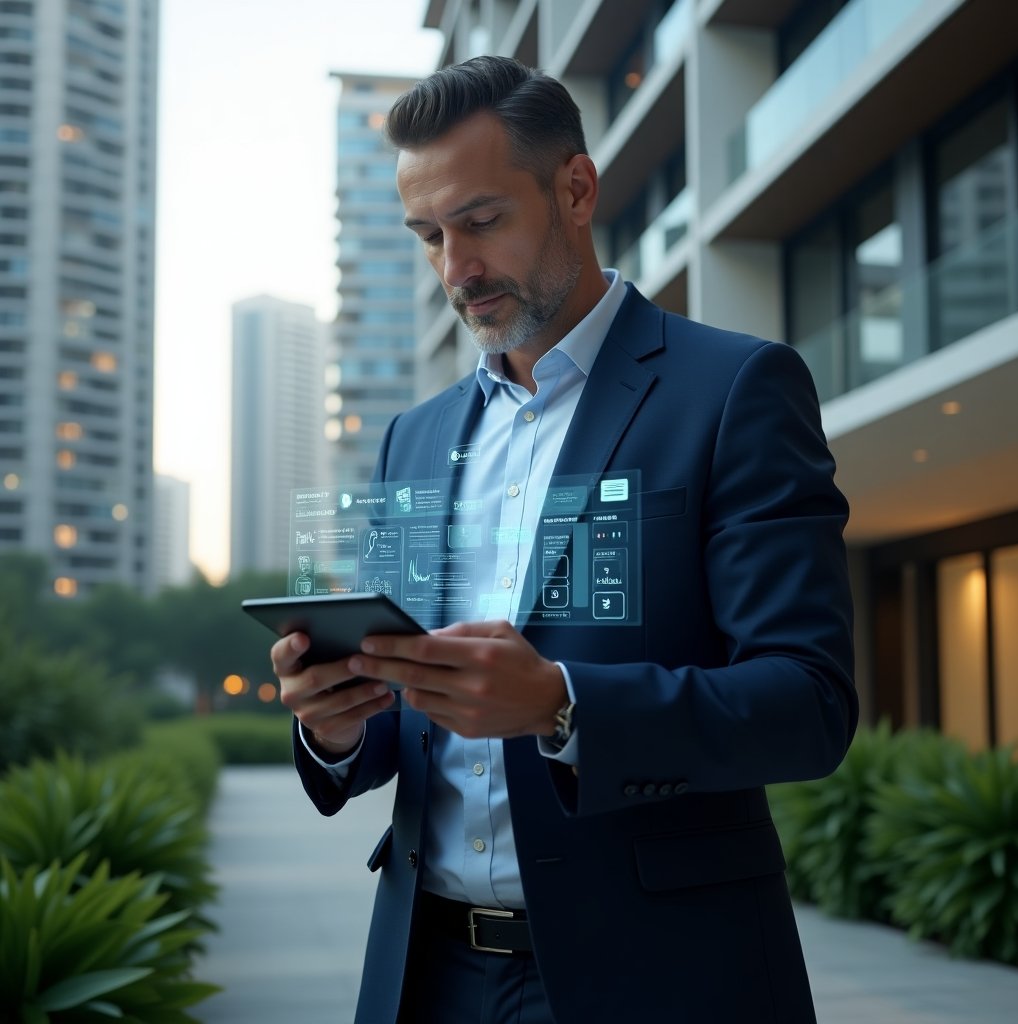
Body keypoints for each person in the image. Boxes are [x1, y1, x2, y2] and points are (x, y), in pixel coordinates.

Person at [272, 55, 857, 1024]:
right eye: (428, 236)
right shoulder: (410, 439)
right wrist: (335, 724)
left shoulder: (734, 390)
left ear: (575, 189)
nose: (454, 268)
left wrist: (562, 702)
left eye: (481, 220)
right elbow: (395, 726)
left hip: (662, 974)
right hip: (428, 975)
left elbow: (808, 700)